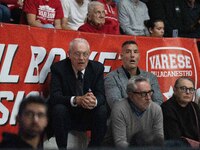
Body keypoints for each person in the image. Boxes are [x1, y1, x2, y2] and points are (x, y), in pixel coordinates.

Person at [50, 38, 107, 149]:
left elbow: (101, 96)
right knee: (58, 109)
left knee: (102, 110)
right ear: (69, 54)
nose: (81, 58)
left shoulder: (97, 68)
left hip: (88, 115)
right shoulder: (58, 68)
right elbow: (55, 97)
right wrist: (76, 99)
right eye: (77, 54)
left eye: (85, 54)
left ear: (89, 55)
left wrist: (93, 101)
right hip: (68, 115)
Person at [104, 40, 163, 109]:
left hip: (148, 118)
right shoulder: (111, 78)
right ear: (121, 56)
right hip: (123, 118)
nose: (132, 55)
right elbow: (115, 104)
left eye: (135, 52)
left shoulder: (150, 77)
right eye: (128, 52)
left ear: (139, 56)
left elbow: (158, 101)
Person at [110, 76, 164, 148]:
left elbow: (159, 139)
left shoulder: (156, 109)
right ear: (131, 95)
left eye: (150, 92)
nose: (148, 98)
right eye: (143, 94)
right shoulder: (119, 109)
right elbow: (120, 143)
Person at [161, 77, 200, 142]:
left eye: (191, 89)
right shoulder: (166, 108)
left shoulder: (194, 107)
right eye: (183, 89)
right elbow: (174, 138)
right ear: (175, 90)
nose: (188, 92)